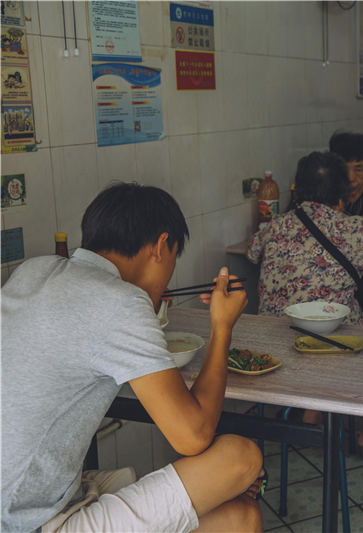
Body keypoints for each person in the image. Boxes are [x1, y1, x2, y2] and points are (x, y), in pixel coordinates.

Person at [1, 183, 263, 532]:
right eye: (173, 257)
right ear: (160, 246)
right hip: (22, 520)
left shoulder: (35, 270)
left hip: (33, 500)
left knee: (240, 518)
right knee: (240, 459)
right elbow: (193, 435)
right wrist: (222, 327)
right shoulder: (119, 302)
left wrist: (146, 304)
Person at [246, 151, 363, 457]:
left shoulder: (275, 225)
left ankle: (312, 416)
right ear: (343, 192)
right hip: (330, 349)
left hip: (272, 349)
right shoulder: (349, 229)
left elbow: (251, 254)